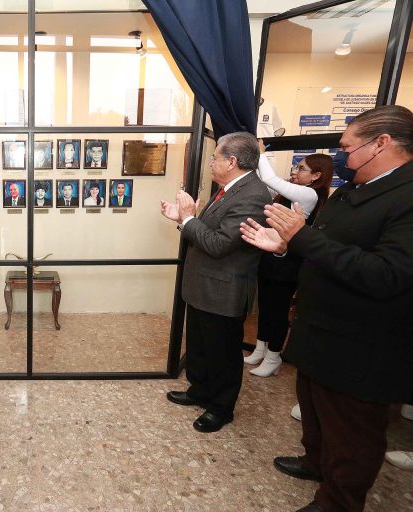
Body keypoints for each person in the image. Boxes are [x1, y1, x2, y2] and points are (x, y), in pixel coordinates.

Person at [239, 105, 413, 512]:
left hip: (362, 344)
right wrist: (286, 245)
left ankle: (338, 501)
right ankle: (315, 462)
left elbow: (387, 274)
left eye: (348, 148)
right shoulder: (354, 190)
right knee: (317, 411)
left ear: (381, 144)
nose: (341, 156)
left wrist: (301, 237)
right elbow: (324, 248)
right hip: (321, 329)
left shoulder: (407, 197)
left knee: (352, 432)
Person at [160, 131, 270, 433]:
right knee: (199, 345)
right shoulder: (227, 189)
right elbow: (206, 230)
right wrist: (181, 219)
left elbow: (220, 244)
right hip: (203, 286)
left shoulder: (253, 196)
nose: (211, 162)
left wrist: (188, 218)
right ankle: (200, 391)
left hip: (223, 290)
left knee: (221, 352)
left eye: (215, 157)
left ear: (232, 161)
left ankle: (221, 407)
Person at [244, 145, 333, 377]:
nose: (295, 171)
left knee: (278, 309)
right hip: (269, 257)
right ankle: (260, 347)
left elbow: (269, 177)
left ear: (317, 176)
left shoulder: (310, 194)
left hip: (287, 263)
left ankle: (273, 356)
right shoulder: (292, 192)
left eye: (302, 169)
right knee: (264, 305)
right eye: (296, 166)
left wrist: (260, 151)